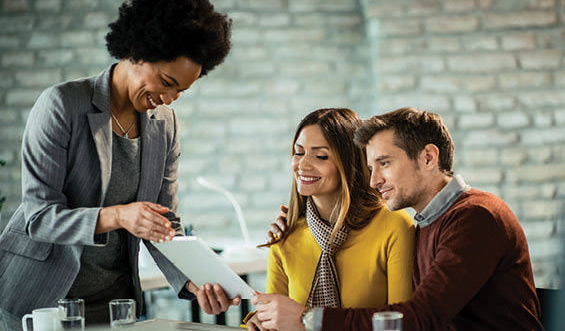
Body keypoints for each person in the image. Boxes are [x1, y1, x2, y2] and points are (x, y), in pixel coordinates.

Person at [0, 0, 238, 324]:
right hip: (40, 300)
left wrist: (197, 283)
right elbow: (38, 217)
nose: (168, 99)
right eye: (166, 82)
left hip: (115, 304)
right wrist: (119, 216)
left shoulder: (165, 123)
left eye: (180, 91)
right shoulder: (62, 105)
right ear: (136, 51)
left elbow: (163, 223)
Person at [254, 107, 543, 331]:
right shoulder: (429, 224)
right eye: (370, 167)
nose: (374, 180)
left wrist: (308, 319)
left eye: (384, 163)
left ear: (429, 158)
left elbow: (419, 318)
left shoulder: (475, 218)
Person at [246, 108, 415, 331]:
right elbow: (274, 320)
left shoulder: (394, 226)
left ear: (350, 162)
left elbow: (401, 323)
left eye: (321, 156)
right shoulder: (285, 235)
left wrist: (307, 320)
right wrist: (257, 321)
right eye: (298, 152)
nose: (303, 165)